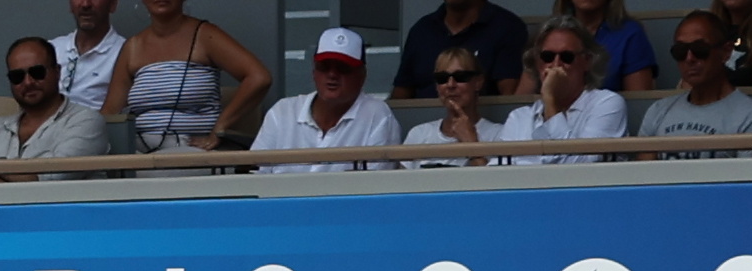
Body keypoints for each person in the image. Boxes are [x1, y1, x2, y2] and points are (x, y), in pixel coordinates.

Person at [105, 0, 274, 150]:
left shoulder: (205, 35)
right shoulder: (133, 46)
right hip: (139, 146)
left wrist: (220, 127)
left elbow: (259, 78)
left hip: (189, 147)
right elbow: (111, 110)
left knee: (146, 177)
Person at [254, 28, 400, 165]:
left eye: (343, 68)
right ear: (314, 72)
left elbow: (375, 186)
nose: (332, 75)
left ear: (362, 75)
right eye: (324, 67)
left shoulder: (378, 115)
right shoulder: (282, 111)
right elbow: (255, 175)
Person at [0, 41, 108, 171]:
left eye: (37, 72)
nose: (28, 82)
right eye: (17, 76)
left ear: (57, 72)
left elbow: (54, 176)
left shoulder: (86, 121)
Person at [640, 13, 752, 148]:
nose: (689, 58)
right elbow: (644, 168)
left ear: (726, 52)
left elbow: (750, 170)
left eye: (700, 49)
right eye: (680, 51)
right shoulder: (657, 111)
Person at [500, 20, 629, 157]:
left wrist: (550, 100)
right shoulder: (519, 118)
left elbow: (578, 167)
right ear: (537, 63)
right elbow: (498, 171)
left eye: (567, 57)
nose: (556, 64)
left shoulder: (607, 104)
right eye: (547, 57)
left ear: (587, 61)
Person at [395, 0, 528, 93]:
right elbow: (401, 95)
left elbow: (509, 100)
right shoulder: (421, 30)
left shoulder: (508, 27)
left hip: (483, 127)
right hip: (421, 125)